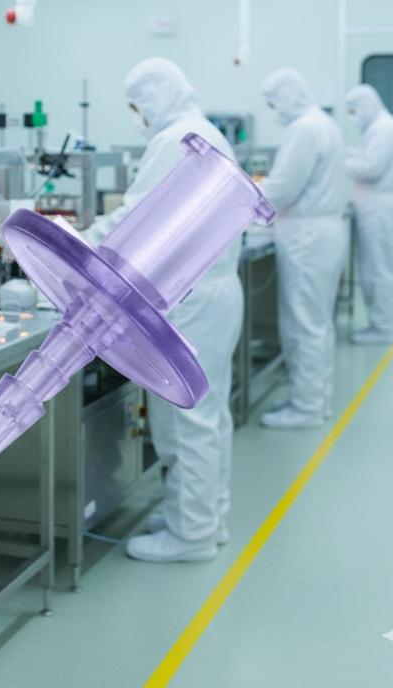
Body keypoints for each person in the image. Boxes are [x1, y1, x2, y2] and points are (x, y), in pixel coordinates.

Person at [88, 58, 243, 563]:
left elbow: (135, 218)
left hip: (189, 298)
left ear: (152, 98)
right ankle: (204, 517)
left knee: (183, 420)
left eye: (137, 106)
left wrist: (75, 247)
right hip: (214, 291)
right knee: (208, 415)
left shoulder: (176, 138)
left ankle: (190, 535)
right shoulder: (207, 132)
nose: (137, 116)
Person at [259, 69, 347, 430]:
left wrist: (242, 196)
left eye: (273, 103)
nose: (273, 111)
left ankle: (306, 407)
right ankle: (314, 398)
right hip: (323, 233)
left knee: (303, 325)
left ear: (287, 95)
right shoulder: (324, 123)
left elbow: (281, 189)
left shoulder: (304, 129)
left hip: (306, 237)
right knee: (318, 323)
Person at [345, 84, 393, 343]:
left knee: (378, 270)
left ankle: (381, 328)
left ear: (367, 104)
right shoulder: (379, 128)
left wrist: (337, 161)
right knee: (374, 268)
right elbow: (367, 157)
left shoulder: (384, 128)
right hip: (376, 204)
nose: (353, 116)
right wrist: (348, 153)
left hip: (380, 207)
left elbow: (371, 168)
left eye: (354, 110)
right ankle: (378, 324)